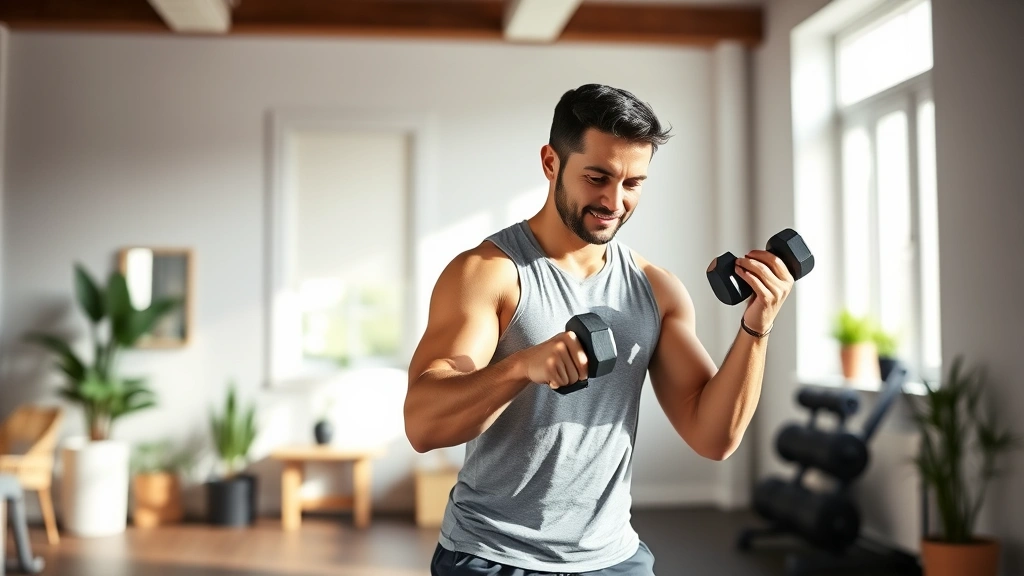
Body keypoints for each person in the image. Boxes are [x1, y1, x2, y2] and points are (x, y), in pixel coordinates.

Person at [404, 83, 795, 575]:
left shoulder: (656, 290)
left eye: (633, 183)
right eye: (597, 177)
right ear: (551, 163)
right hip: (493, 556)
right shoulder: (489, 273)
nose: (614, 200)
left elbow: (713, 437)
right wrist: (521, 366)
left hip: (613, 558)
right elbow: (422, 424)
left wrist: (756, 328)